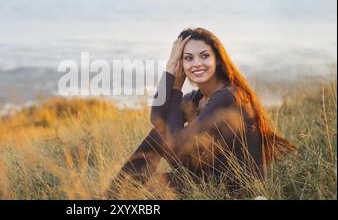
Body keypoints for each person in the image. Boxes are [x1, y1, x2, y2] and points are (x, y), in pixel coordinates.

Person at [108, 27, 296, 197]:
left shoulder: (228, 96)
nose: (196, 63)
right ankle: (112, 196)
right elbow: (157, 118)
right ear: (181, 64)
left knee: (157, 177)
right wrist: (169, 69)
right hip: (207, 177)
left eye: (204, 56)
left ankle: (111, 196)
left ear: (218, 59)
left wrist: (174, 91)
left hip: (237, 190)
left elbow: (179, 144)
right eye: (188, 58)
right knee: (155, 164)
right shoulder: (195, 99)